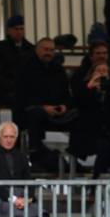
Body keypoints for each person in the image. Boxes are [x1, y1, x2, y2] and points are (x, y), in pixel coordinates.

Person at [14, 38, 75, 172]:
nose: (49, 53)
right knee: (35, 114)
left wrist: (64, 106)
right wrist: (43, 107)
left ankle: (75, 155)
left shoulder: (58, 69)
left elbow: (67, 94)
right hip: (34, 111)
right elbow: (21, 96)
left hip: (57, 111)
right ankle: (36, 155)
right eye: (46, 49)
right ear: (37, 50)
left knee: (78, 115)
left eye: (52, 50)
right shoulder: (25, 68)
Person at [0, 15, 34, 108]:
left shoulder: (31, 49)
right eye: (16, 29)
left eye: (21, 29)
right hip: (5, 92)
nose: (19, 32)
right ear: (9, 30)